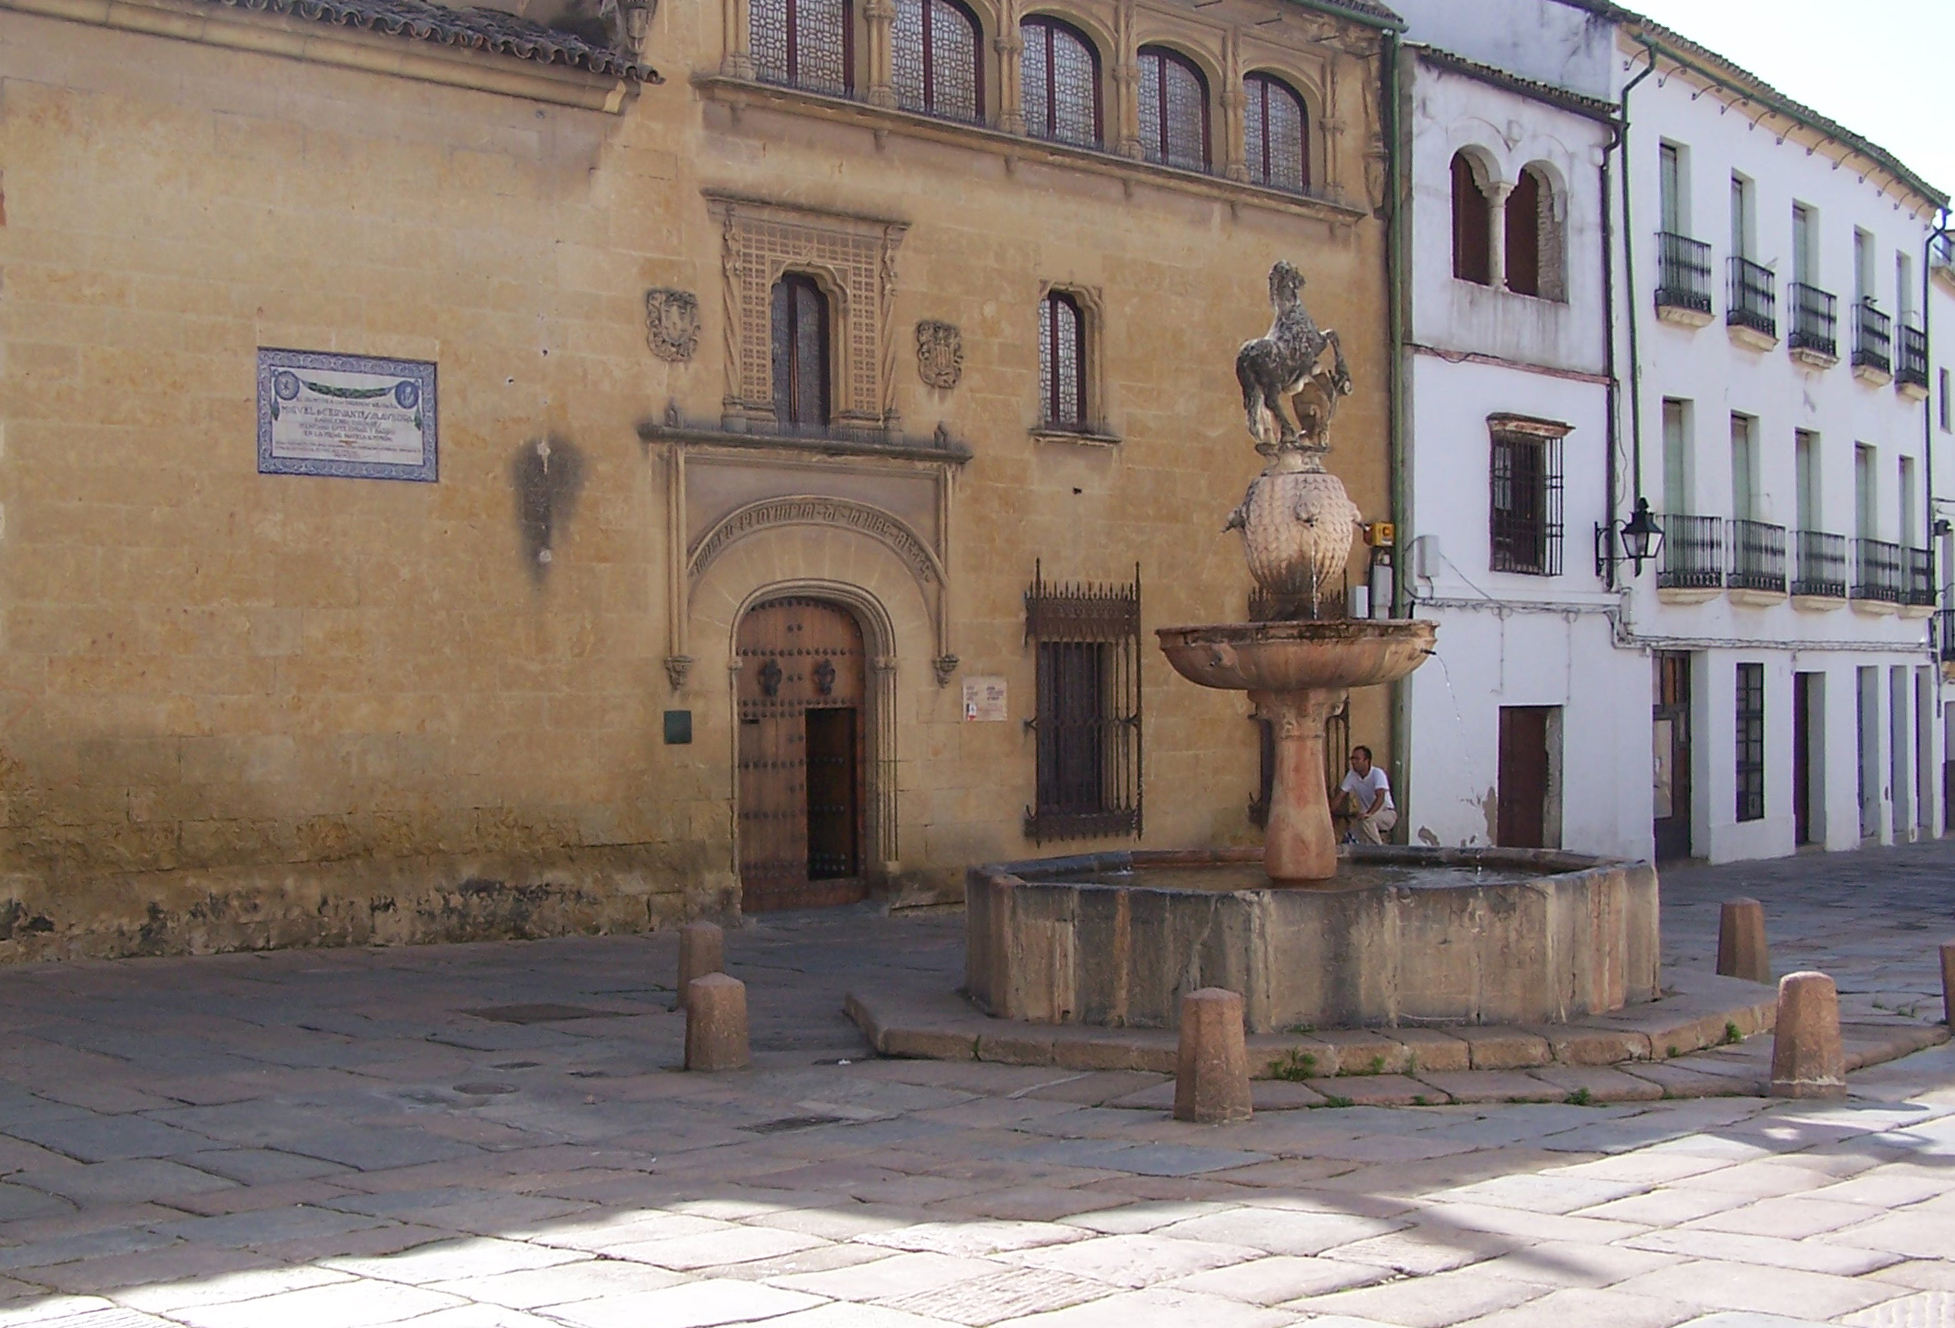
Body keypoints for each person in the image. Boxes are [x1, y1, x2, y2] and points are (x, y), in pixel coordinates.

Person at [1334, 745, 1397, 844]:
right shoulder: (1352, 775)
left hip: (1386, 813)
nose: (1353, 762)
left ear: (1367, 761)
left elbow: (1380, 797)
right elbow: (1340, 796)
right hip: (1364, 817)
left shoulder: (1377, 773)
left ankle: (1379, 853)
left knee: (1367, 821)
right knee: (1349, 838)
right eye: (1352, 759)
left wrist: (1369, 813)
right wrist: (1327, 812)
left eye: (1357, 759)